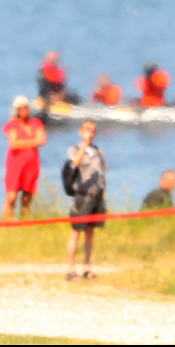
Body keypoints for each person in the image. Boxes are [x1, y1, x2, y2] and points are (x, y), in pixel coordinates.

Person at [62, 119, 106, 280]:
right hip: (82, 195)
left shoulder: (98, 151)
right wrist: (84, 145)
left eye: (92, 130)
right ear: (81, 131)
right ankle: (71, 269)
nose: (90, 133)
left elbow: (102, 172)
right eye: (87, 129)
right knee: (75, 232)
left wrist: (103, 191)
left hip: (96, 196)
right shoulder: (74, 149)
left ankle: (87, 267)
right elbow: (74, 164)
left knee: (90, 233)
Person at [2, 96, 46, 219]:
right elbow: (14, 144)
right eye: (21, 108)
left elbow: (41, 140)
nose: (24, 110)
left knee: (27, 197)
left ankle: (24, 221)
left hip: (31, 164)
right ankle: (7, 221)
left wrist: (23, 143)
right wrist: (32, 142)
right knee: (11, 197)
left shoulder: (36, 123)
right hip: (15, 164)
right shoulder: (12, 125)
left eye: (26, 107)